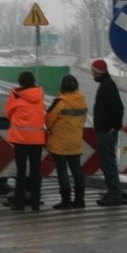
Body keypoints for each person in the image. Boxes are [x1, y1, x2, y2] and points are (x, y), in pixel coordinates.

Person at [5, 70, 46, 211]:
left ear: (20, 82)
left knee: (21, 172)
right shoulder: (40, 95)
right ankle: (35, 202)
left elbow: (8, 113)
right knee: (36, 171)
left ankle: (19, 203)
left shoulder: (16, 95)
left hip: (20, 139)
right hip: (37, 140)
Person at [45, 74, 88, 209]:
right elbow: (83, 119)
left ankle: (66, 201)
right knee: (77, 170)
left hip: (60, 143)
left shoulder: (60, 102)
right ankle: (80, 200)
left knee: (62, 171)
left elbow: (49, 120)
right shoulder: (82, 100)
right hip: (75, 141)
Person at [90, 59, 126, 206]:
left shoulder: (107, 86)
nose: (91, 73)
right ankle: (112, 191)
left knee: (108, 163)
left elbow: (118, 108)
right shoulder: (106, 84)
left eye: (92, 71)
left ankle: (114, 194)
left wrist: (114, 127)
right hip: (105, 130)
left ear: (98, 72)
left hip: (106, 132)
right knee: (107, 163)